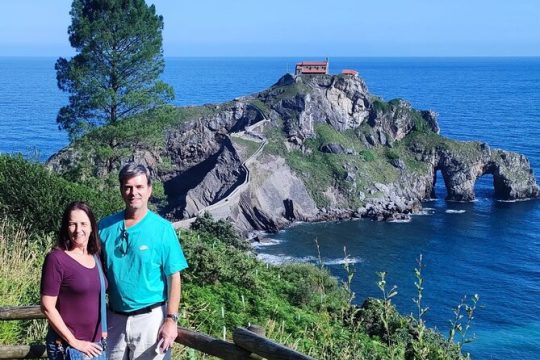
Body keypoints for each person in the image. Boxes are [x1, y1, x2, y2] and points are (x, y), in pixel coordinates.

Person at [99, 163, 188, 360]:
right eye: (128, 187)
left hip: (151, 320)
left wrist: (171, 320)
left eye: (139, 187)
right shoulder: (104, 227)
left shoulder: (163, 229)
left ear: (149, 190)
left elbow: (174, 277)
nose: (133, 192)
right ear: (121, 189)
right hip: (114, 319)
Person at [41, 201, 107, 360]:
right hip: (68, 347)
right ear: (66, 227)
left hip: (96, 346)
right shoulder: (56, 259)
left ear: (92, 227)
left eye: (84, 223)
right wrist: (74, 341)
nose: (79, 230)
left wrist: (102, 330)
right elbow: (47, 307)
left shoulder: (95, 257)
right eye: (72, 224)